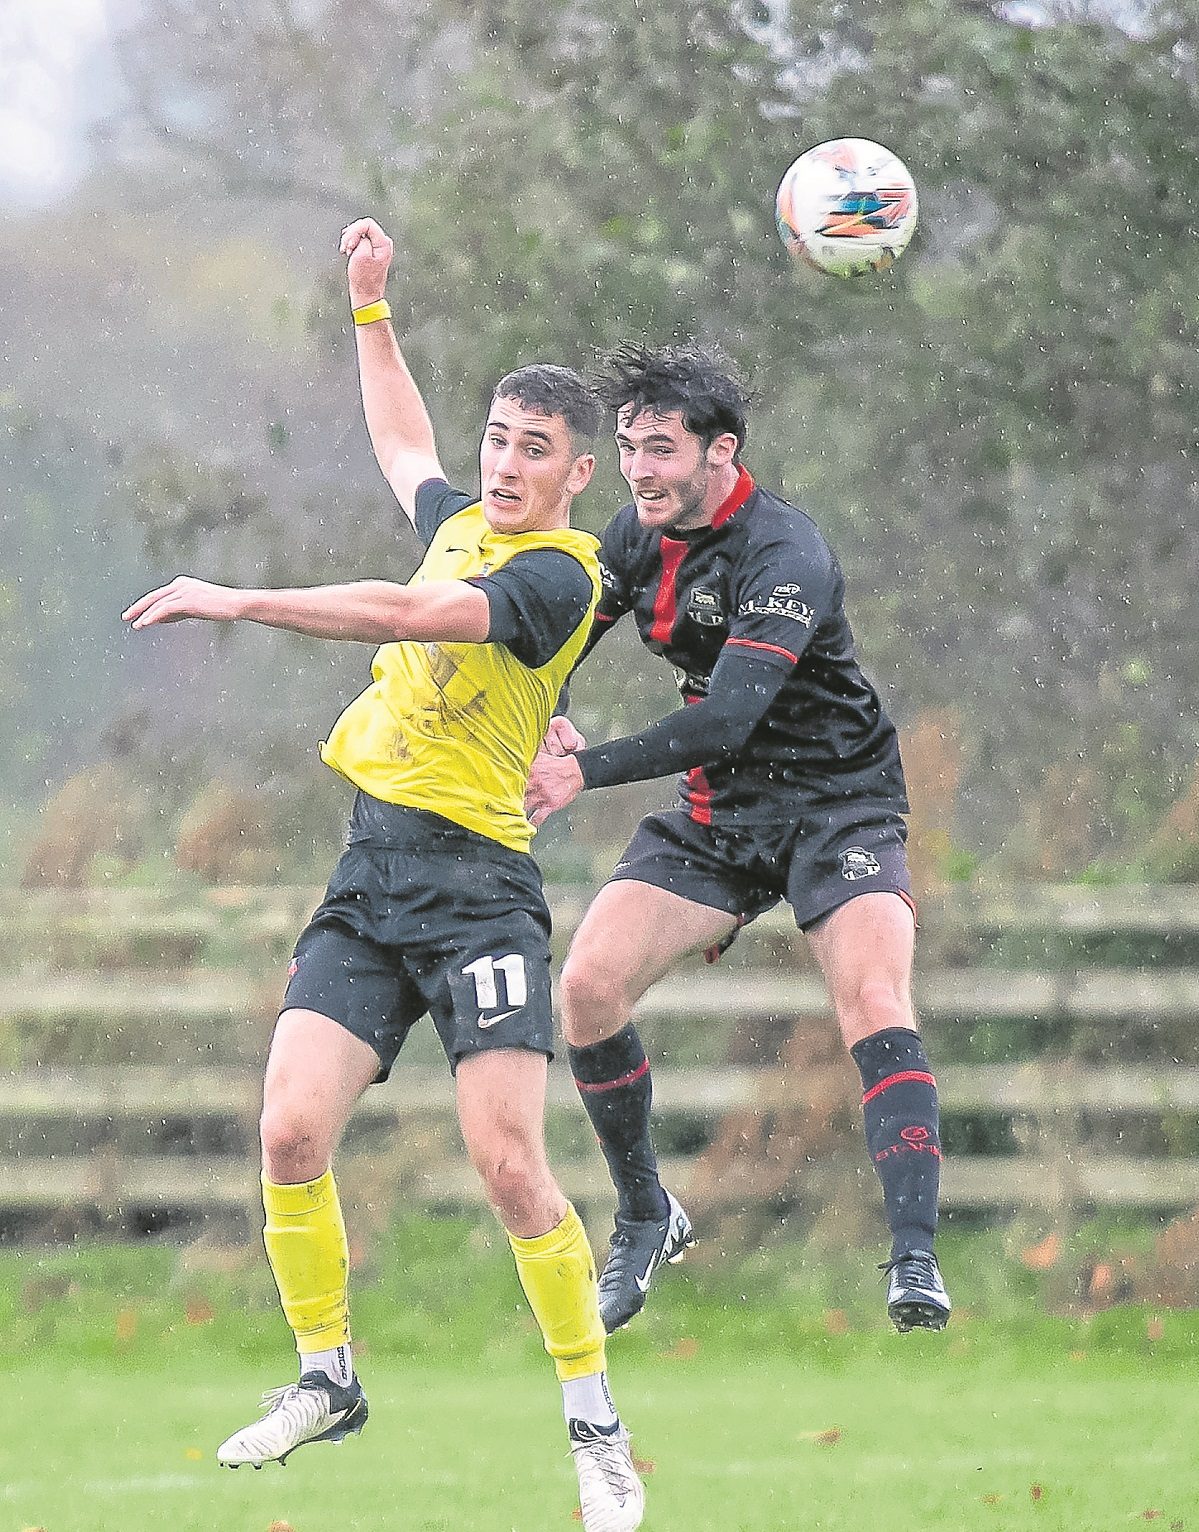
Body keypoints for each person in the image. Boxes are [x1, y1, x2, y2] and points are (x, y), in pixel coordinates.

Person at [121, 220, 645, 1532]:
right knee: (289, 1131)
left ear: (578, 472)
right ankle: (326, 1377)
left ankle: (594, 1423)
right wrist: (370, 309)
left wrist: (239, 599)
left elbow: (408, 613)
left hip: (478, 894)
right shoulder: (460, 519)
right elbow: (402, 439)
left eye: (534, 449)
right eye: (498, 440)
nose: (505, 464)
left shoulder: (558, 576)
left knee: (508, 1165)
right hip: (372, 873)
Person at [526, 341, 951, 1337]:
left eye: (660, 450)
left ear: (721, 451)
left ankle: (914, 1257)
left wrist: (585, 768)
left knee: (872, 999)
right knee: (586, 988)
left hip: (839, 807)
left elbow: (725, 719)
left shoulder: (784, 552)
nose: (637, 471)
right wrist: (547, 705)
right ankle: (645, 1213)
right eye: (627, 448)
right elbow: (559, 638)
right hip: (721, 815)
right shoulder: (634, 536)